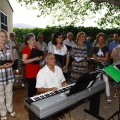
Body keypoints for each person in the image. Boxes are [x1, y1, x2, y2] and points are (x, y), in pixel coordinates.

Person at [36, 52, 68, 120]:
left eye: (54, 58)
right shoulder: (42, 72)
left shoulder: (58, 69)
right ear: (46, 60)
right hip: (49, 96)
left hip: (60, 93)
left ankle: (59, 112)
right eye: (51, 58)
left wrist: (64, 83)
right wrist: (50, 89)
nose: (54, 60)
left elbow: (63, 80)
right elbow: (39, 89)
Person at [0, 29, 16, 120]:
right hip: (0, 76)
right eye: (1, 36)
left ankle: (10, 110)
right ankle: (3, 113)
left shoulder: (8, 47)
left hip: (9, 75)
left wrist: (10, 64)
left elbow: (12, 60)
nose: (3, 38)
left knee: (9, 94)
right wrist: (2, 67)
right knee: (1, 96)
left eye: (4, 36)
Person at [92, 32, 111, 103]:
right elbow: (93, 57)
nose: (100, 40)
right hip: (97, 66)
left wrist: (98, 58)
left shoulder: (106, 47)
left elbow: (106, 58)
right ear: (97, 39)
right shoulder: (95, 47)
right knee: (98, 81)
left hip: (105, 67)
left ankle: (108, 96)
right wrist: (100, 58)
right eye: (99, 38)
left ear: (104, 40)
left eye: (102, 39)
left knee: (106, 81)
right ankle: (97, 95)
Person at [22, 33, 42, 97]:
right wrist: (34, 59)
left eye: (34, 39)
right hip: (30, 71)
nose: (34, 41)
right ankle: (30, 104)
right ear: (28, 41)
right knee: (31, 89)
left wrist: (40, 58)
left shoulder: (36, 47)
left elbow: (38, 57)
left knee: (37, 88)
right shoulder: (26, 48)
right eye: (32, 40)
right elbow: (23, 61)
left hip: (37, 69)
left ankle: (36, 101)